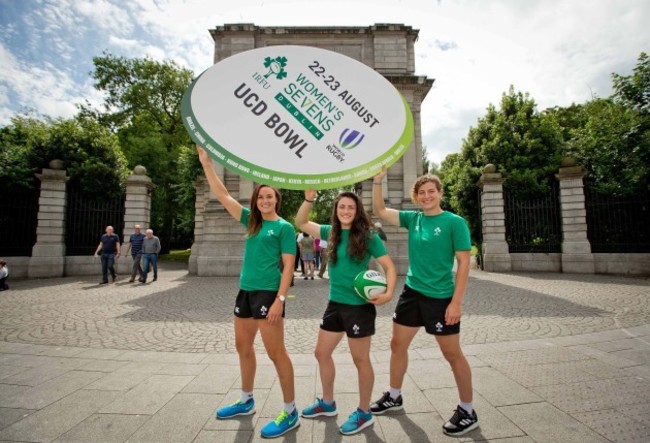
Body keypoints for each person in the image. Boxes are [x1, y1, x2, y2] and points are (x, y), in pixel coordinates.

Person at [198, 146, 300, 439]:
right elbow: (223, 195)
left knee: (276, 353)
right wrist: (207, 164)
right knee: (243, 349)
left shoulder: (283, 228)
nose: (265, 200)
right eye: (261, 196)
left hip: (268, 294)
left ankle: (290, 410)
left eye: (270, 196)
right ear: (256, 201)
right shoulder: (251, 220)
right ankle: (246, 400)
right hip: (245, 293)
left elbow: (290, 266)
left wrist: (280, 300)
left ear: (276, 200)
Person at [371, 168, 478, 436]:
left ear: (440, 193)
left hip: (441, 298)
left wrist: (456, 303)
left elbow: (464, 263)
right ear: (416, 197)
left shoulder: (455, 222)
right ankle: (394, 396)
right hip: (412, 293)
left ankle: (467, 410)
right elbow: (381, 211)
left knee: (452, 355)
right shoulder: (413, 218)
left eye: (431, 191)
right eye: (422, 193)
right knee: (397, 344)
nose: (427, 196)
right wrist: (377, 181)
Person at [296, 189, 397, 436]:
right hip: (335, 304)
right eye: (341, 207)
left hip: (359, 307)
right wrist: (309, 199)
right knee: (321, 353)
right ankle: (328, 404)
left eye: (350, 207)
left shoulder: (368, 235)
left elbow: (389, 266)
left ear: (357, 210)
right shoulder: (329, 232)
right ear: (336, 209)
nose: (346, 211)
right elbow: (300, 222)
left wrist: (388, 294)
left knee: (360, 360)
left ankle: (364, 412)